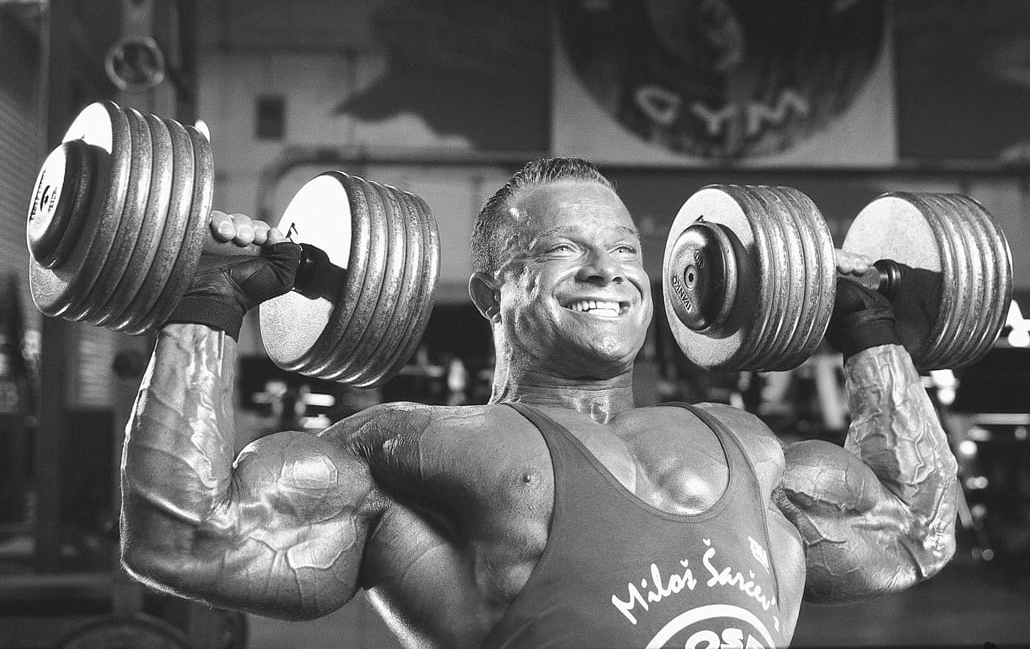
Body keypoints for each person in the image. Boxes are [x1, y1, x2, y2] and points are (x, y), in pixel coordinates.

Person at [120, 157, 958, 648]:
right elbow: (187, 539)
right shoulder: (415, 453)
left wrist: (869, 322)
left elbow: (919, 529)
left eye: (626, 248)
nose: (608, 270)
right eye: (562, 250)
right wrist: (208, 300)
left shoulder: (749, 445)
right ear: (491, 292)